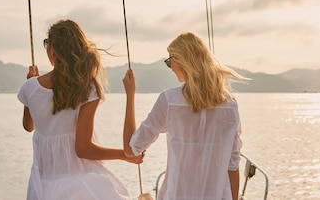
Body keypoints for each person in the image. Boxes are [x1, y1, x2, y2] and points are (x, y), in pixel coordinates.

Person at [18, 19, 142, 200]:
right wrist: (124, 155)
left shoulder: (30, 87)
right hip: (82, 186)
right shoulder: (87, 87)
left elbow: (29, 126)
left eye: (47, 45)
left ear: (52, 50)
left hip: (43, 188)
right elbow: (83, 149)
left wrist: (31, 85)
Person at [123, 32, 245, 200]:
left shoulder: (169, 101)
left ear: (182, 60)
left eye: (170, 60)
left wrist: (130, 96)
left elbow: (130, 149)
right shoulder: (230, 105)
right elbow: (233, 165)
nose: (171, 66)